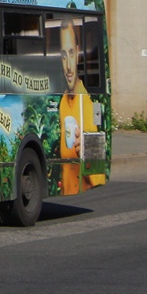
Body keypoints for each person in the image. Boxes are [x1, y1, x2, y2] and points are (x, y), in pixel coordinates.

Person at [58, 18, 101, 195]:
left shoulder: (86, 103)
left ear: (78, 52)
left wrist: (87, 152)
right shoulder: (62, 101)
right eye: (63, 55)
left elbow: (97, 171)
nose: (68, 66)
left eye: (71, 53)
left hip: (83, 196)